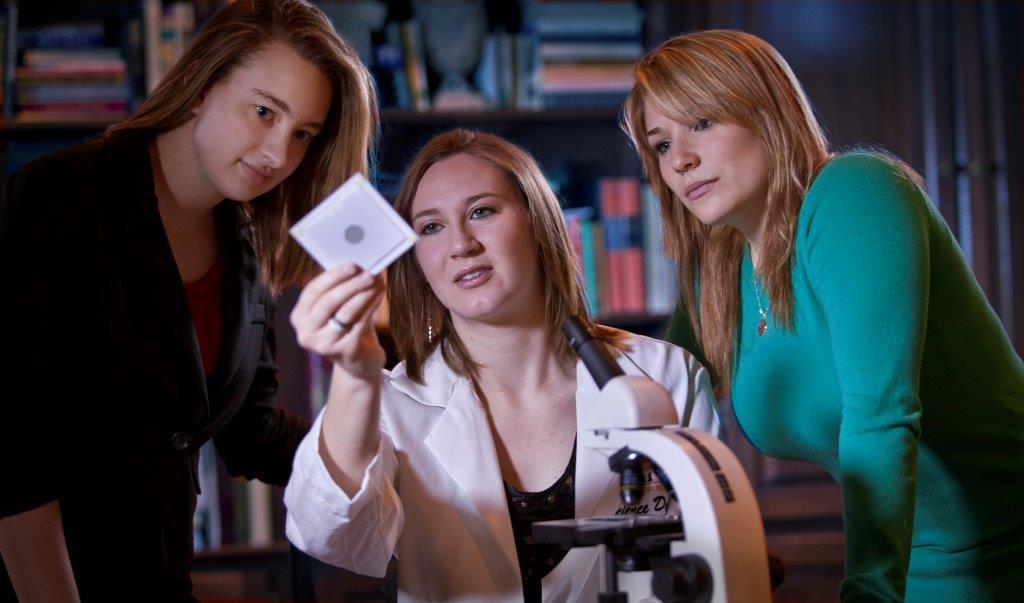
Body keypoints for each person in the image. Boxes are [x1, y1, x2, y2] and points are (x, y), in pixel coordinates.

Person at [622, 29, 1024, 602]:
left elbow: (881, 418)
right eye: (661, 145)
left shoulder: (855, 194)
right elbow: (655, 405)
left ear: (767, 112)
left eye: (703, 122)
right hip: (914, 569)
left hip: (1008, 553)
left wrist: (868, 592)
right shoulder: (714, 270)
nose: (681, 159)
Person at [0, 1, 378, 600]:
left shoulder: (245, 240)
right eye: (263, 112)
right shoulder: (61, 199)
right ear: (202, 86)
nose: (278, 154)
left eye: (302, 135)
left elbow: (253, 435)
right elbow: (13, 452)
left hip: (157, 577)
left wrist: (395, 451)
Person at [284, 129, 721, 601]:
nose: (461, 244)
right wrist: (355, 373)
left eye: (481, 212)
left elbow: (712, 555)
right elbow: (327, 535)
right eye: (431, 227)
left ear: (537, 222)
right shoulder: (388, 404)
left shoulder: (665, 377)